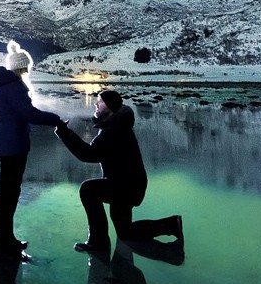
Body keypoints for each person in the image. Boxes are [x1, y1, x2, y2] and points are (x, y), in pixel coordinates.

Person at [55, 90, 184, 252]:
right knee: (125, 232)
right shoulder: (115, 125)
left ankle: (98, 242)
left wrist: (64, 132)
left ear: (109, 106)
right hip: (128, 184)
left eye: (100, 101)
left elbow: (88, 154)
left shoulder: (113, 129)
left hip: (125, 186)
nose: (96, 104)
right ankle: (172, 225)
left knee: (88, 190)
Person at [0, 40, 63, 253]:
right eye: (27, 66)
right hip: (13, 146)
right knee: (9, 194)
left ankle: (4, 239)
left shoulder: (6, 86)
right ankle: (5, 241)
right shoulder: (14, 87)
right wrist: (56, 119)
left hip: (7, 143)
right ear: (21, 67)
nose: (28, 69)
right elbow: (29, 114)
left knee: (7, 193)